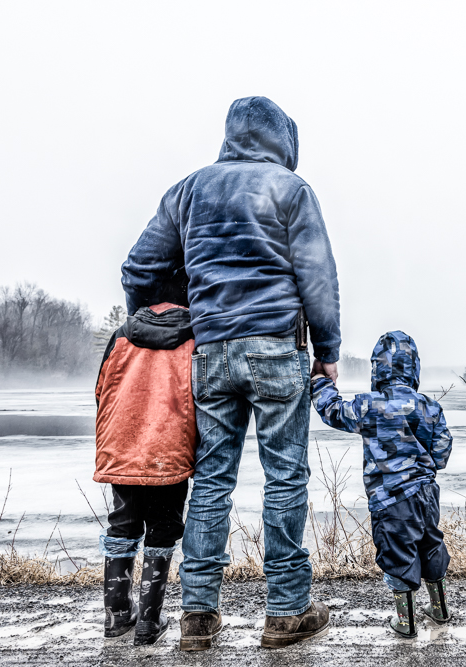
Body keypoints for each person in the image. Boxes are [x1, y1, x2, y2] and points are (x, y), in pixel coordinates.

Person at [121, 96, 340, 650]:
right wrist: (328, 347)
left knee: (213, 480)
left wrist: (169, 318)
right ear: (283, 140)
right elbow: (317, 276)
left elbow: (138, 268)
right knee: (285, 477)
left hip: (212, 353)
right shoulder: (292, 190)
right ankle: (287, 611)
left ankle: (197, 615)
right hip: (276, 351)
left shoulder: (189, 189)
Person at [311, 331, 454, 638]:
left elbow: (334, 411)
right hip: (427, 494)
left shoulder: (370, 405)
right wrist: (422, 464)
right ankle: (439, 609)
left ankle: (406, 622)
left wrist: (320, 382)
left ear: (378, 369)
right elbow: (442, 451)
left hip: (391, 499)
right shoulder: (429, 407)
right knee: (431, 545)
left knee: (396, 552)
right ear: (414, 367)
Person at [93, 281, 196, 646]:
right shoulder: (195, 334)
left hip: (124, 441)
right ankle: (149, 622)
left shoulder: (123, 333)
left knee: (122, 523)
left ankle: (117, 615)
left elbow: (101, 388)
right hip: (170, 443)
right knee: (163, 528)